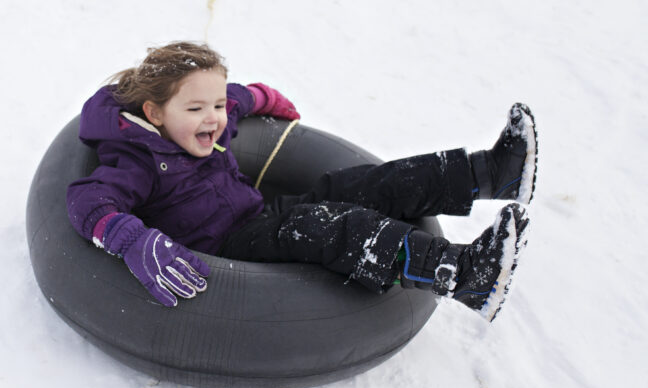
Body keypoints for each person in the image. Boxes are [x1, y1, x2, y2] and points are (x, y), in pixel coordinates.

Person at [67, 42, 536, 322]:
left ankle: (491, 173)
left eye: (213, 106)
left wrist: (263, 98)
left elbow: (234, 99)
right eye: (196, 110)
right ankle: (465, 274)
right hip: (225, 250)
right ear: (154, 113)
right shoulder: (139, 158)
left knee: (366, 184)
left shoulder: (205, 118)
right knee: (327, 225)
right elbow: (90, 200)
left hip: (256, 212)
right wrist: (132, 239)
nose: (213, 119)